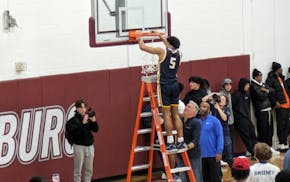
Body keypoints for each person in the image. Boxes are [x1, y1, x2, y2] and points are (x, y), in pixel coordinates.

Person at [138, 33, 185, 152]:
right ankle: (180, 140)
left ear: (169, 44)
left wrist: (140, 39)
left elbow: (143, 47)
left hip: (165, 85)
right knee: (175, 115)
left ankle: (169, 141)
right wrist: (160, 36)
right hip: (175, 84)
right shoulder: (179, 54)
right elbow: (168, 44)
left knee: (166, 115)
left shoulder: (161, 52)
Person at [66, 100, 99, 182]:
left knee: (89, 171)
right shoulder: (72, 121)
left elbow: (96, 129)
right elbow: (75, 134)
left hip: (90, 147)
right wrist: (83, 123)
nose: (83, 109)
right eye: (81, 107)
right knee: (78, 172)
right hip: (79, 147)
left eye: (84, 107)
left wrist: (94, 120)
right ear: (77, 108)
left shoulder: (87, 118)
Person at [250, 69, 280, 156]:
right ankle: (261, 151)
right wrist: (267, 92)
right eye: (259, 76)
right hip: (261, 111)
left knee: (269, 130)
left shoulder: (261, 85)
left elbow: (273, 90)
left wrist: (266, 90)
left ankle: (269, 148)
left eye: (261, 75)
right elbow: (261, 97)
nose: (261, 77)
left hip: (268, 110)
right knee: (262, 131)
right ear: (255, 77)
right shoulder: (253, 86)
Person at [203, 93, 234, 167]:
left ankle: (232, 168)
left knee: (228, 151)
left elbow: (225, 118)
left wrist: (218, 108)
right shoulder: (213, 106)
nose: (220, 100)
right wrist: (213, 94)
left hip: (224, 132)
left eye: (223, 99)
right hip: (214, 133)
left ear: (226, 103)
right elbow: (203, 100)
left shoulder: (226, 108)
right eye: (220, 98)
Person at [266, 62, 290, 150]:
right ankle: (281, 143)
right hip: (281, 105)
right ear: (277, 69)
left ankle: (285, 142)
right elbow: (269, 92)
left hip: (287, 105)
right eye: (280, 68)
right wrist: (275, 102)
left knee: (287, 125)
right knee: (281, 125)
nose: (282, 69)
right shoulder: (270, 79)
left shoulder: (281, 78)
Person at [177, 101, 202, 182]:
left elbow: (195, 140)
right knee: (183, 178)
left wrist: (187, 147)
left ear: (194, 112)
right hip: (181, 155)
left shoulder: (196, 122)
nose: (186, 108)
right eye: (186, 106)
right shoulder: (180, 120)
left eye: (189, 107)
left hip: (193, 156)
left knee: (195, 177)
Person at [199, 101, 224, 182]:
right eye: (200, 106)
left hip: (213, 155)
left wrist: (219, 151)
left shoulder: (215, 121)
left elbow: (220, 136)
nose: (201, 108)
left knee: (215, 179)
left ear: (208, 109)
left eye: (204, 107)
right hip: (201, 156)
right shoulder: (197, 122)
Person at [232, 78, 257, 157]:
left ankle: (256, 151)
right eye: (247, 85)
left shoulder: (247, 94)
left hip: (247, 118)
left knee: (253, 134)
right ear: (242, 85)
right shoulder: (236, 95)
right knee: (246, 137)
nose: (248, 86)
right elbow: (234, 108)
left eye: (249, 85)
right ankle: (252, 152)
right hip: (240, 120)